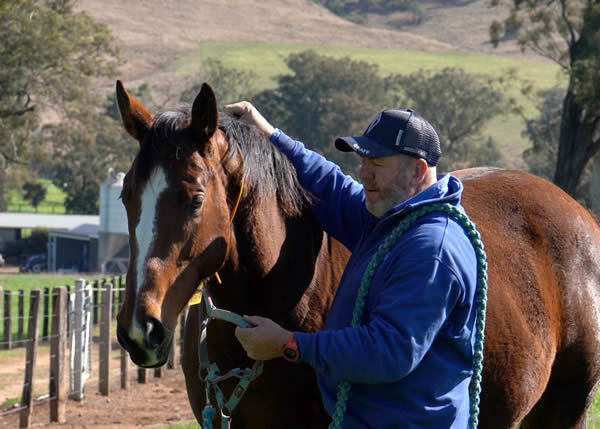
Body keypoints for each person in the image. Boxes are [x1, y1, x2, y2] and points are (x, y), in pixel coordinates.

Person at [224, 102, 478, 429]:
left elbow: (388, 351)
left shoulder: (430, 249)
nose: (364, 173)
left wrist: (289, 344)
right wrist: (270, 135)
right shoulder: (395, 218)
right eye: (363, 161)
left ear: (417, 170)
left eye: (377, 163)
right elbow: (333, 188)